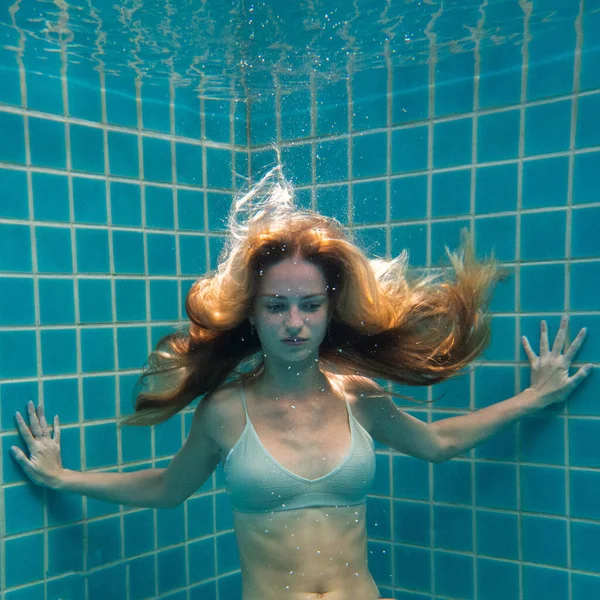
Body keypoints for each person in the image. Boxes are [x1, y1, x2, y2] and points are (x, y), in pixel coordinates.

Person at [11, 166, 594, 600]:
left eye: (310, 305)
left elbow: (438, 444)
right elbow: (167, 488)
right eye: (276, 307)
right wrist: (64, 476)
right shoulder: (225, 412)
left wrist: (534, 395)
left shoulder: (358, 398)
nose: (294, 323)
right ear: (251, 313)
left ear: (330, 310)